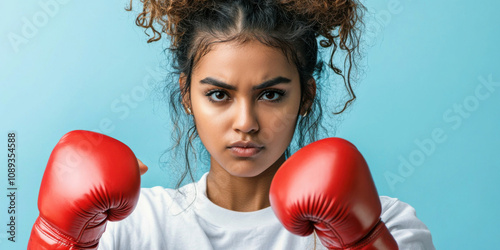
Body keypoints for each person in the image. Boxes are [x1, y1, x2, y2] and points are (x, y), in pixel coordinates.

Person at [28, 0, 435, 249]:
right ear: (187, 95)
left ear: (306, 97)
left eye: (271, 94)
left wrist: (362, 242)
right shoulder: (130, 229)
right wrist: (62, 238)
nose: (246, 123)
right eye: (219, 94)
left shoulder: (391, 225)